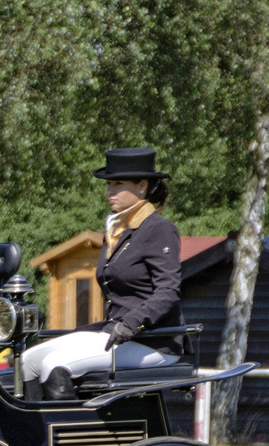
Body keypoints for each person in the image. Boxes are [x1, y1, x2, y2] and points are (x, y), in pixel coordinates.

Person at [21, 147, 184, 400]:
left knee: (54, 364)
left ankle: (71, 436)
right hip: (114, 334)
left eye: (118, 184)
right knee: (28, 360)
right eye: (109, 184)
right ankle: (36, 436)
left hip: (153, 341)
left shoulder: (158, 229)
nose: (110, 191)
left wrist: (131, 322)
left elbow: (168, 291)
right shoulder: (116, 230)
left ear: (142, 186)